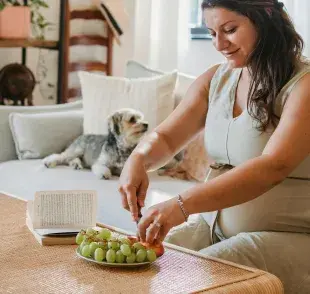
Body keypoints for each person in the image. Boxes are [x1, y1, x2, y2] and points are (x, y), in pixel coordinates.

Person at [119, 0, 310, 292]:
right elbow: (167, 137)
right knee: (130, 270)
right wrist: (138, 158)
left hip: (285, 238)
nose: (219, 43)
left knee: (178, 284)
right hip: (212, 229)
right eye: (211, 33)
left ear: (266, 18)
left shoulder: (303, 85)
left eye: (230, 30)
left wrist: (180, 205)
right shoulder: (215, 80)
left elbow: (273, 166)